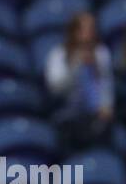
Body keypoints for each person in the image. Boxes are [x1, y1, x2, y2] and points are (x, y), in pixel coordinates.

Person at [45, 11, 114, 151]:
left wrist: (106, 104)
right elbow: (56, 88)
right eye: (83, 29)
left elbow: (107, 83)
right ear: (73, 32)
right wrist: (76, 64)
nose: (88, 34)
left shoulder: (101, 53)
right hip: (68, 111)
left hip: (97, 113)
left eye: (91, 29)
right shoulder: (58, 54)